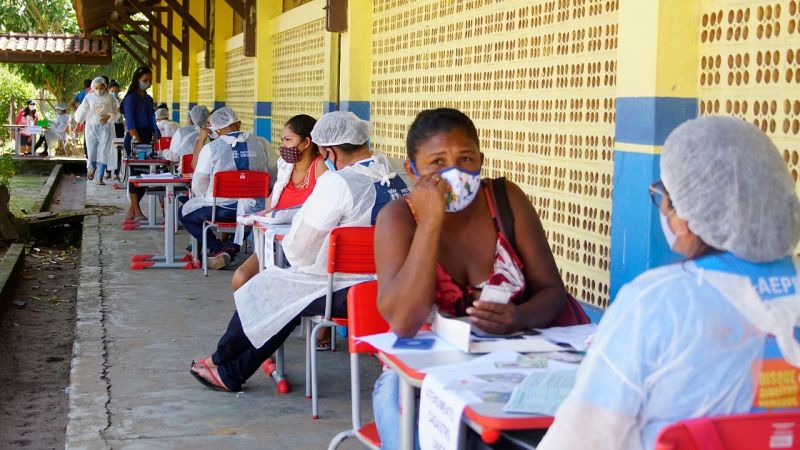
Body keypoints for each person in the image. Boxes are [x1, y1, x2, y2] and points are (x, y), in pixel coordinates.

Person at [536, 116, 800, 450]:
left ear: (688, 217)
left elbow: (581, 437)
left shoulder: (656, 303)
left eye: (665, 197)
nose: (663, 210)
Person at [370, 108, 588, 449]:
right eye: (437, 163)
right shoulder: (397, 218)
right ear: (413, 170)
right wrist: (429, 223)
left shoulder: (505, 200)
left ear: (481, 160)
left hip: (514, 363)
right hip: (421, 379)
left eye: (465, 159)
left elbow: (552, 291)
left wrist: (518, 317)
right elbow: (403, 322)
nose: (454, 173)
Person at [189, 111, 409, 392]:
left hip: (348, 289)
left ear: (328, 151)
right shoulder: (397, 174)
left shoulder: (338, 183)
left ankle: (220, 359)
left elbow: (299, 250)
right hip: (396, 284)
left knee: (265, 289)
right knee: (285, 299)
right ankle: (229, 371)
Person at [230, 113, 331, 349]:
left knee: (288, 290)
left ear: (306, 142)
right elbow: (271, 203)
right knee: (241, 279)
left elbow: (324, 211)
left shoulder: (321, 169)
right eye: (283, 140)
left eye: (288, 140)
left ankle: (313, 329)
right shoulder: (285, 167)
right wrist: (266, 216)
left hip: (304, 249)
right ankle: (262, 332)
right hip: (272, 244)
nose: (283, 146)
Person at [179, 107, 277, 270]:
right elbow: (275, 175)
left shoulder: (211, 148)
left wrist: (206, 197)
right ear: (238, 124)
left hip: (220, 209)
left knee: (184, 213)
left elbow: (199, 183)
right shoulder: (262, 143)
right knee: (249, 214)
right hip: (255, 208)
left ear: (216, 129)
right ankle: (231, 247)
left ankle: (218, 248)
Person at [121, 66, 158, 220]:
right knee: (136, 175)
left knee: (145, 176)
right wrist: (137, 143)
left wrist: (155, 135)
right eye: (145, 80)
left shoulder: (148, 99)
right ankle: (137, 211)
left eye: (150, 81)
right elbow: (130, 123)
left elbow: (152, 119)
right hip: (135, 137)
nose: (148, 83)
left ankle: (131, 211)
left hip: (147, 137)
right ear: (137, 80)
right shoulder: (130, 98)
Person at [75, 77, 120, 184]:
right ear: (93, 87)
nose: (99, 90)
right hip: (91, 127)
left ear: (105, 87)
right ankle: (92, 168)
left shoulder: (110, 98)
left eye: (101, 87)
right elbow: (83, 112)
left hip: (105, 127)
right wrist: (78, 124)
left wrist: (108, 116)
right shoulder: (88, 98)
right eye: (96, 87)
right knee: (91, 151)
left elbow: (116, 112)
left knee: (104, 151)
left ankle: (100, 177)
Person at [162, 104, 210, 170]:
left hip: (185, 174)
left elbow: (173, 157)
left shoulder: (181, 132)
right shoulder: (213, 133)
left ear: (191, 118)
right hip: (207, 173)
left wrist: (164, 153)